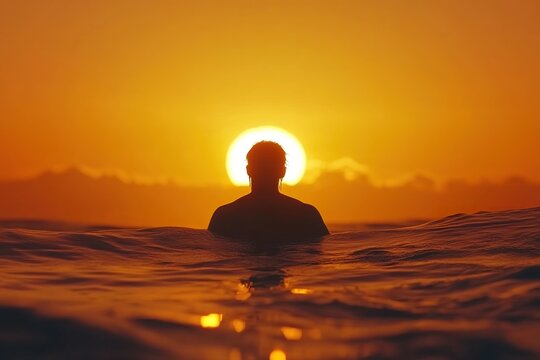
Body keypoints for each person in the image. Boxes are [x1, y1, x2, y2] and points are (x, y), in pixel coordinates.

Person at [208, 141, 329, 241]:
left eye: (269, 166)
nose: (265, 171)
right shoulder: (306, 214)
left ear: (248, 170)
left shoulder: (225, 215)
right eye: (262, 166)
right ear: (283, 171)